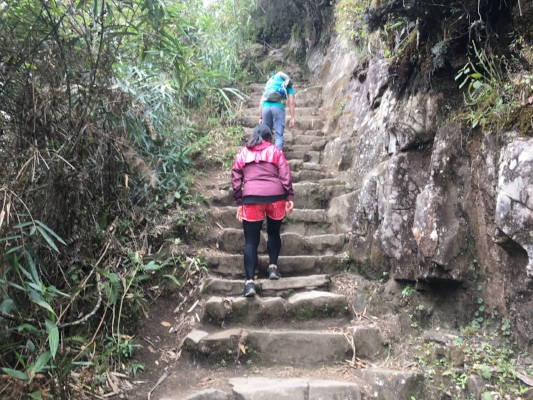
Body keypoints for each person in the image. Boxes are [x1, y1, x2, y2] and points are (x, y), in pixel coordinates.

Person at [231, 124, 295, 297]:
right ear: (269, 137)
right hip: (276, 198)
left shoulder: (243, 153)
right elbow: (285, 175)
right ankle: (273, 268)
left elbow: (236, 177)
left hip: (252, 199)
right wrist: (289, 196)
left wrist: (239, 201)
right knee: (274, 233)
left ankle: (250, 282)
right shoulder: (275, 151)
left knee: (251, 241)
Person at [258, 73, 295, 150]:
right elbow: (291, 102)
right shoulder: (286, 84)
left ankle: (266, 157)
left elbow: (261, 102)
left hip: (265, 108)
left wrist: (260, 117)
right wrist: (292, 118)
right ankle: (277, 159)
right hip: (278, 108)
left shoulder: (269, 85)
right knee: (278, 135)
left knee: (266, 135)